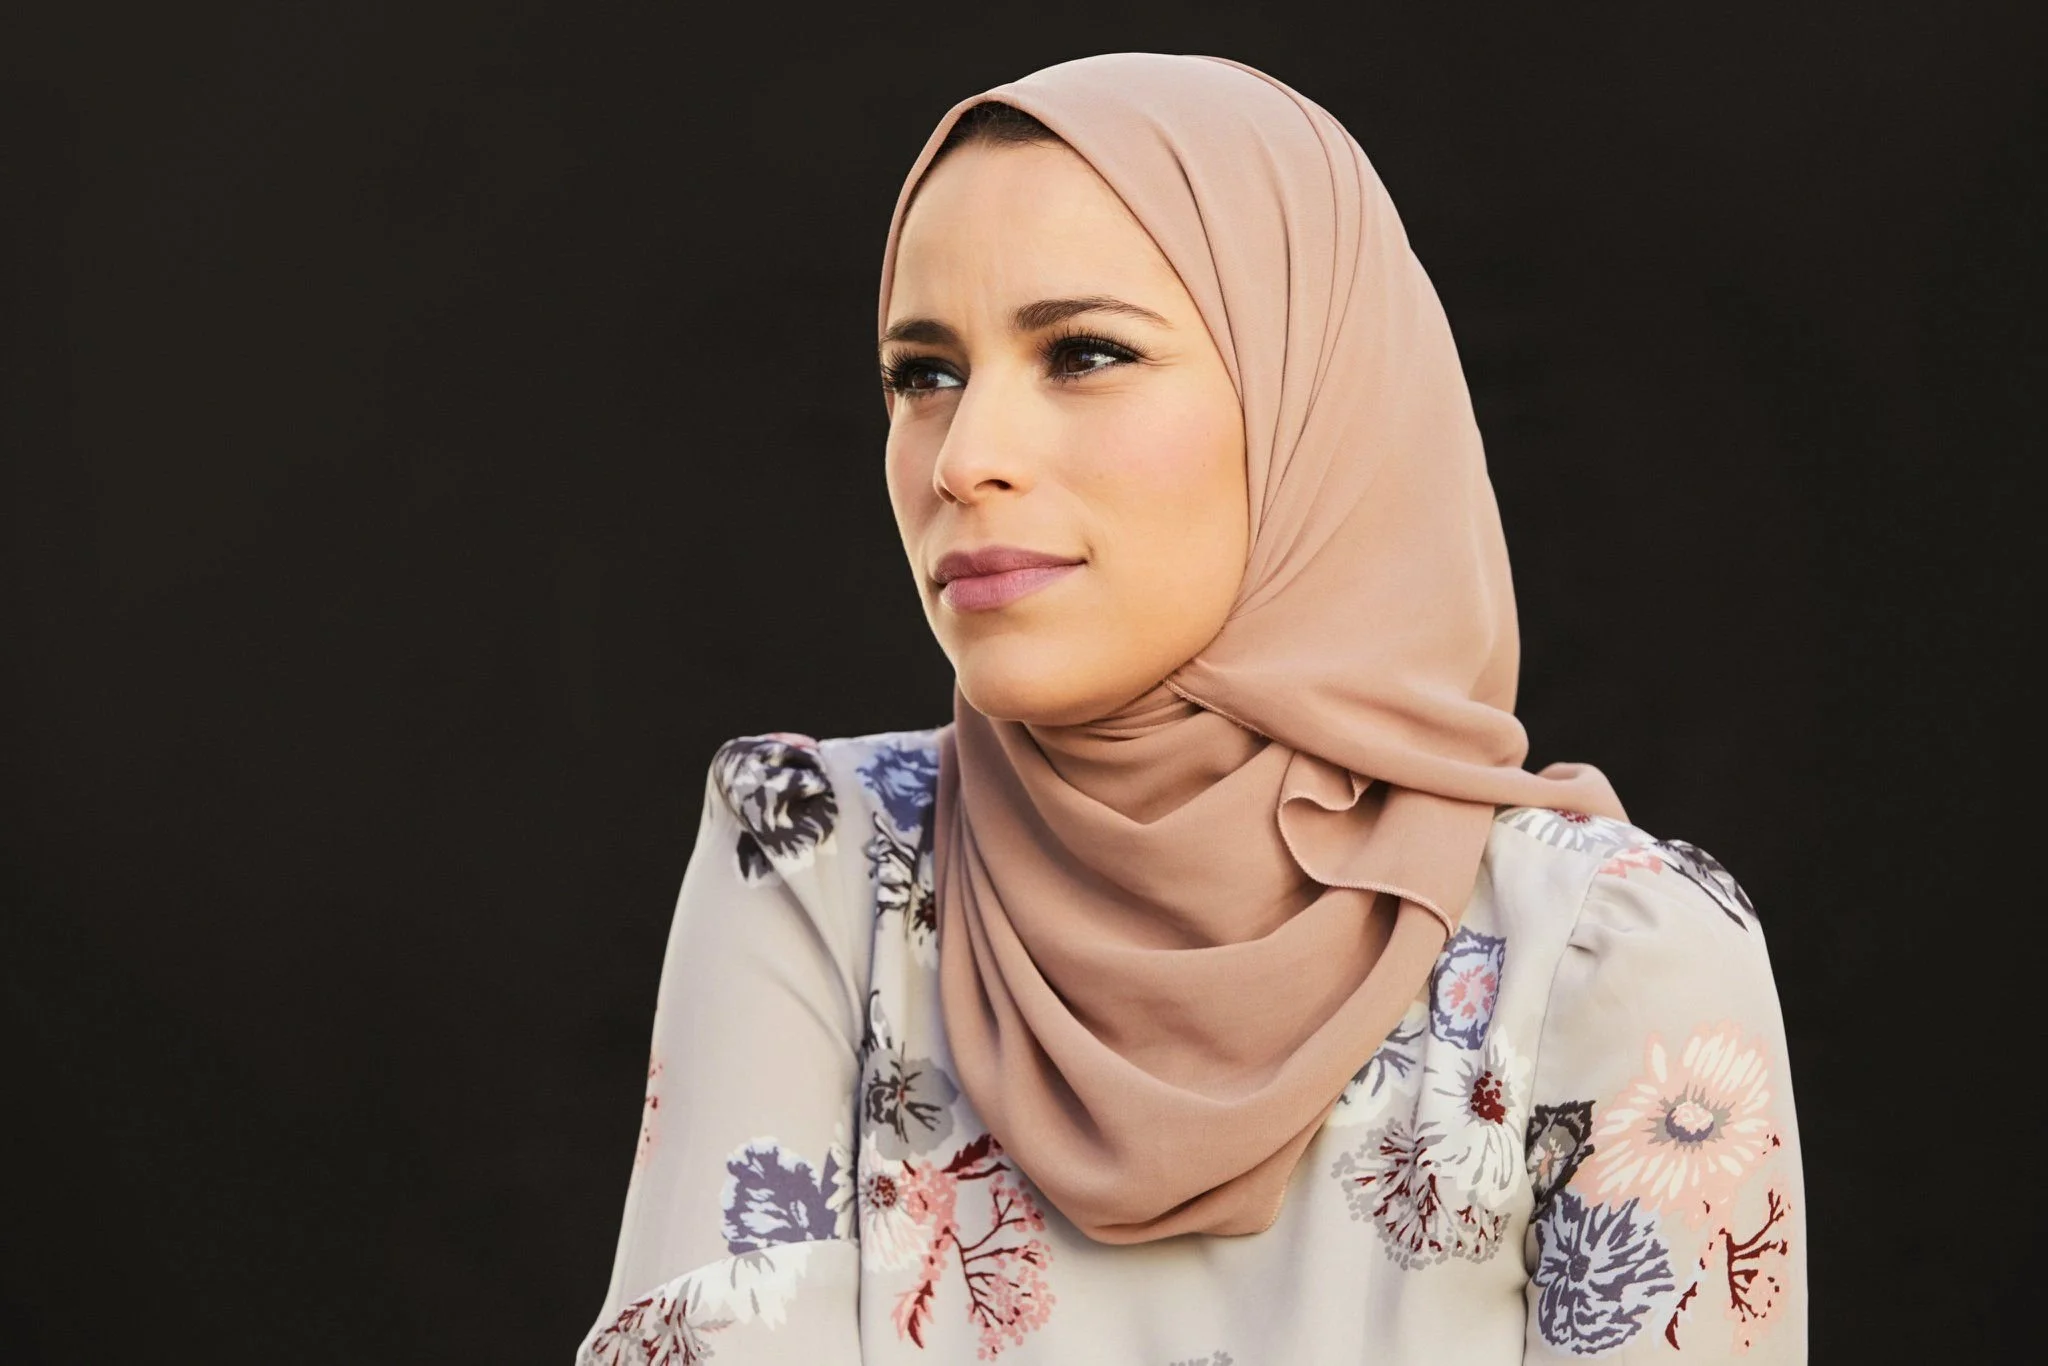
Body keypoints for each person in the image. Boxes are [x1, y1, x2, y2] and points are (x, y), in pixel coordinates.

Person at [575, 52, 1807, 1364]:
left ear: (1308, 401)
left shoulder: (1605, 956)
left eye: (1084, 352)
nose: (965, 454)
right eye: (923, 372)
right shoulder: (816, 869)